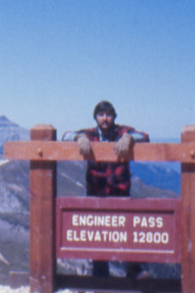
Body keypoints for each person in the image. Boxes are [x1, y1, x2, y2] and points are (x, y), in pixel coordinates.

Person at [63, 100, 149, 278]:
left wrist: (129, 138)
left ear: (114, 117)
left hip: (120, 191)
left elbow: (144, 136)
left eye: (109, 115)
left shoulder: (121, 132)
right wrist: (79, 138)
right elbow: (66, 135)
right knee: (97, 235)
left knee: (128, 233)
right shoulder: (89, 133)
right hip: (96, 192)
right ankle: (100, 277)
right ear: (95, 117)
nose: (105, 119)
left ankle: (135, 272)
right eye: (101, 115)